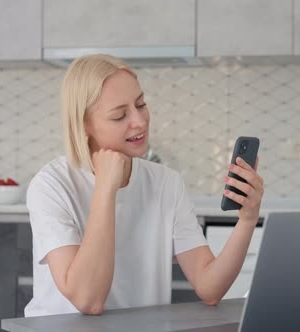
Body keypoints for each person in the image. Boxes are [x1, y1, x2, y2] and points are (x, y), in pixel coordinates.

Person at [24, 54, 264, 317]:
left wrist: (248, 219)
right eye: (119, 115)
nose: (139, 121)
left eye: (141, 104)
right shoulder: (51, 186)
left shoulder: (166, 183)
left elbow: (210, 288)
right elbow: (88, 300)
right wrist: (105, 188)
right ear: (84, 125)